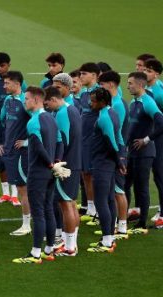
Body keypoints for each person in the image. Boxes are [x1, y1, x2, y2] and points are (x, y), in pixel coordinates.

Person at [12, 87, 59, 264]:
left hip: (39, 172)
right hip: (51, 172)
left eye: (27, 99)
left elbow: (38, 146)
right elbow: (60, 141)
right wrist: (56, 163)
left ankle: (35, 253)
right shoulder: (51, 118)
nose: (25, 102)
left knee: (38, 212)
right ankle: (49, 249)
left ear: (37, 100)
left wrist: (50, 163)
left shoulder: (33, 122)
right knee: (48, 208)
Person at [44, 86, 82, 256]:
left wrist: (57, 161)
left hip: (65, 165)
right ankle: (71, 243)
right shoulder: (72, 109)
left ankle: (69, 247)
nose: (47, 108)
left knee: (66, 205)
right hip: (75, 162)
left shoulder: (61, 114)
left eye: (47, 104)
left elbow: (63, 140)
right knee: (72, 203)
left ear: (53, 99)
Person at [86, 88, 123, 253]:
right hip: (108, 164)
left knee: (101, 201)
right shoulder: (112, 113)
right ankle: (110, 237)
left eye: (93, 101)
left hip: (103, 164)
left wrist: (119, 162)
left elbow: (111, 142)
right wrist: (121, 160)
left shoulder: (105, 118)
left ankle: (107, 241)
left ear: (102, 102)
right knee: (109, 200)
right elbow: (119, 138)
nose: (90, 103)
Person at [126, 72, 163, 233]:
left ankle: (142, 224)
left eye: (130, 83)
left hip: (145, 152)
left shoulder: (148, 102)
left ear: (140, 85)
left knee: (141, 187)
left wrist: (146, 140)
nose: (128, 86)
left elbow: (161, 123)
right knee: (127, 185)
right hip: (132, 152)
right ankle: (126, 218)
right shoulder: (134, 102)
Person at [0, 52, 24, 204]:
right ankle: (5, 193)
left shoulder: (20, 90)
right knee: (0, 159)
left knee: (15, 160)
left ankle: (15, 193)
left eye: (2, 66)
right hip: (2, 125)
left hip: (17, 129)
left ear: (8, 65)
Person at [0, 71, 32, 234]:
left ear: (17, 84)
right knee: (20, 188)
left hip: (21, 153)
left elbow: (40, 122)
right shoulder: (8, 100)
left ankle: (27, 224)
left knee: (23, 188)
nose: (4, 86)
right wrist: (0, 142)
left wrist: (27, 142)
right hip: (9, 151)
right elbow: (1, 121)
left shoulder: (25, 101)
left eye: (7, 83)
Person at [97, 71, 129, 238]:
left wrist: (120, 157)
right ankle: (115, 224)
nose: (100, 87)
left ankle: (122, 226)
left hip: (117, 151)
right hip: (116, 151)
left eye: (101, 84)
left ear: (110, 84)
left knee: (118, 190)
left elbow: (117, 133)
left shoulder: (117, 105)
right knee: (113, 191)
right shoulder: (115, 102)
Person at [78, 63, 101, 224]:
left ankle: (100, 210)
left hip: (95, 141)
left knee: (95, 175)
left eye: (84, 74)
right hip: (83, 140)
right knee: (85, 174)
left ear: (94, 75)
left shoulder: (100, 93)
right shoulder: (84, 93)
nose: (80, 77)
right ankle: (91, 208)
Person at [143, 58, 163, 227]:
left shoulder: (159, 92)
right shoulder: (147, 88)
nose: (145, 72)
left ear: (156, 73)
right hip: (151, 136)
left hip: (159, 138)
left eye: (149, 71)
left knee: (159, 173)